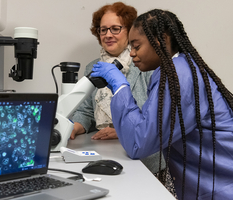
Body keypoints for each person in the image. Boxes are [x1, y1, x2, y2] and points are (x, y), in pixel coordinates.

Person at [91, 9, 233, 200]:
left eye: (136, 46)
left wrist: (120, 87)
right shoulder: (178, 69)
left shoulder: (177, 76)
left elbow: (139, 143)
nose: (132, 53)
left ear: (161, 40)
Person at [69, 2, 164, 174]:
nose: (108, 35)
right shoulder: (93, 67)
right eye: (103, 29)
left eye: (115, 29)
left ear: (129, 31)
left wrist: (120, 131)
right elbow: (86, 111)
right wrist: (72, 127)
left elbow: (154, 116)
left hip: (145, 158)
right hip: (105, 151)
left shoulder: (146, 64)